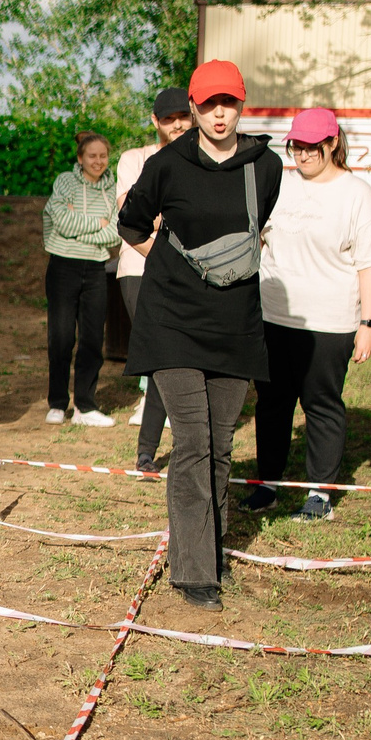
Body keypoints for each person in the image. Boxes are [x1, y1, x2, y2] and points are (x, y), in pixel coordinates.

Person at [114, 60, 281, 610]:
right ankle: (193, 571)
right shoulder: (166, 164)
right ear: (193, 107)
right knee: (192, 442)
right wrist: (170, 266)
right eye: (208, 104)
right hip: (172, 321)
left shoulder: (267, 166)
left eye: (228, 102)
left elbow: (251, 230)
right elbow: (130, 224)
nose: (218, 114)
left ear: (242, 103)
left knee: (221, 443)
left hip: (235, 323)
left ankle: (211, 547)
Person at [249, 108, 371, 520]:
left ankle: (319, 495)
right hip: (273, 316)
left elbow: (370, 262)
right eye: (297, 146)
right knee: (272, 404)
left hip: (329, 323)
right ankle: (267, 485)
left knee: (321, 404)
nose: (303, 154)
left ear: (332, 143)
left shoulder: (356, 193)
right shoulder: (278, 184)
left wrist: (368, 324)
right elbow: (258, 240)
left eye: (313, 146)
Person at [114, 88, 193, 464]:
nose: (176, 124)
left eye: (182, 116)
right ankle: (148, 450)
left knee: (176, 357)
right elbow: (131, 216)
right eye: (168, 118)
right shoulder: (134, 159)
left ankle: (157, 450)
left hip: (190, 272)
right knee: (163, 356)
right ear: (155, 121)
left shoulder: (202, 160)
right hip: (139, 269)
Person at [41, 132, 119, 427]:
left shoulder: (113, 188)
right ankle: (57, 403)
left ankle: (85, 406)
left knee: (92, 338)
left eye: (103, 156)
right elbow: (61, 221)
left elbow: (115, 232)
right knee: (61, 337)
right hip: (63, 266)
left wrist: (80, 228)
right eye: (92, 156)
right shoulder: (65, 182)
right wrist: (98, 223)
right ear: (80, 158)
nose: (98, 161)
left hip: (97, 268)